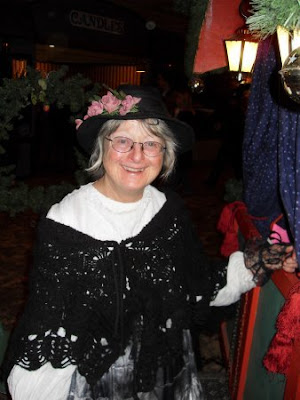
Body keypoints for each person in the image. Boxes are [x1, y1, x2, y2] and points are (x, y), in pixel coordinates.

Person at [3, 85, 297, 400]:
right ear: (102, 148)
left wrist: (265, 258)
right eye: (123, 141)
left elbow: (198, 284)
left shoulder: (168, 212)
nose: (137, 156)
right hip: (99, 387)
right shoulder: (65, 223)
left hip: (169, 377)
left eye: (151, 143)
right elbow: (46, 333)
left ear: (165, 153)